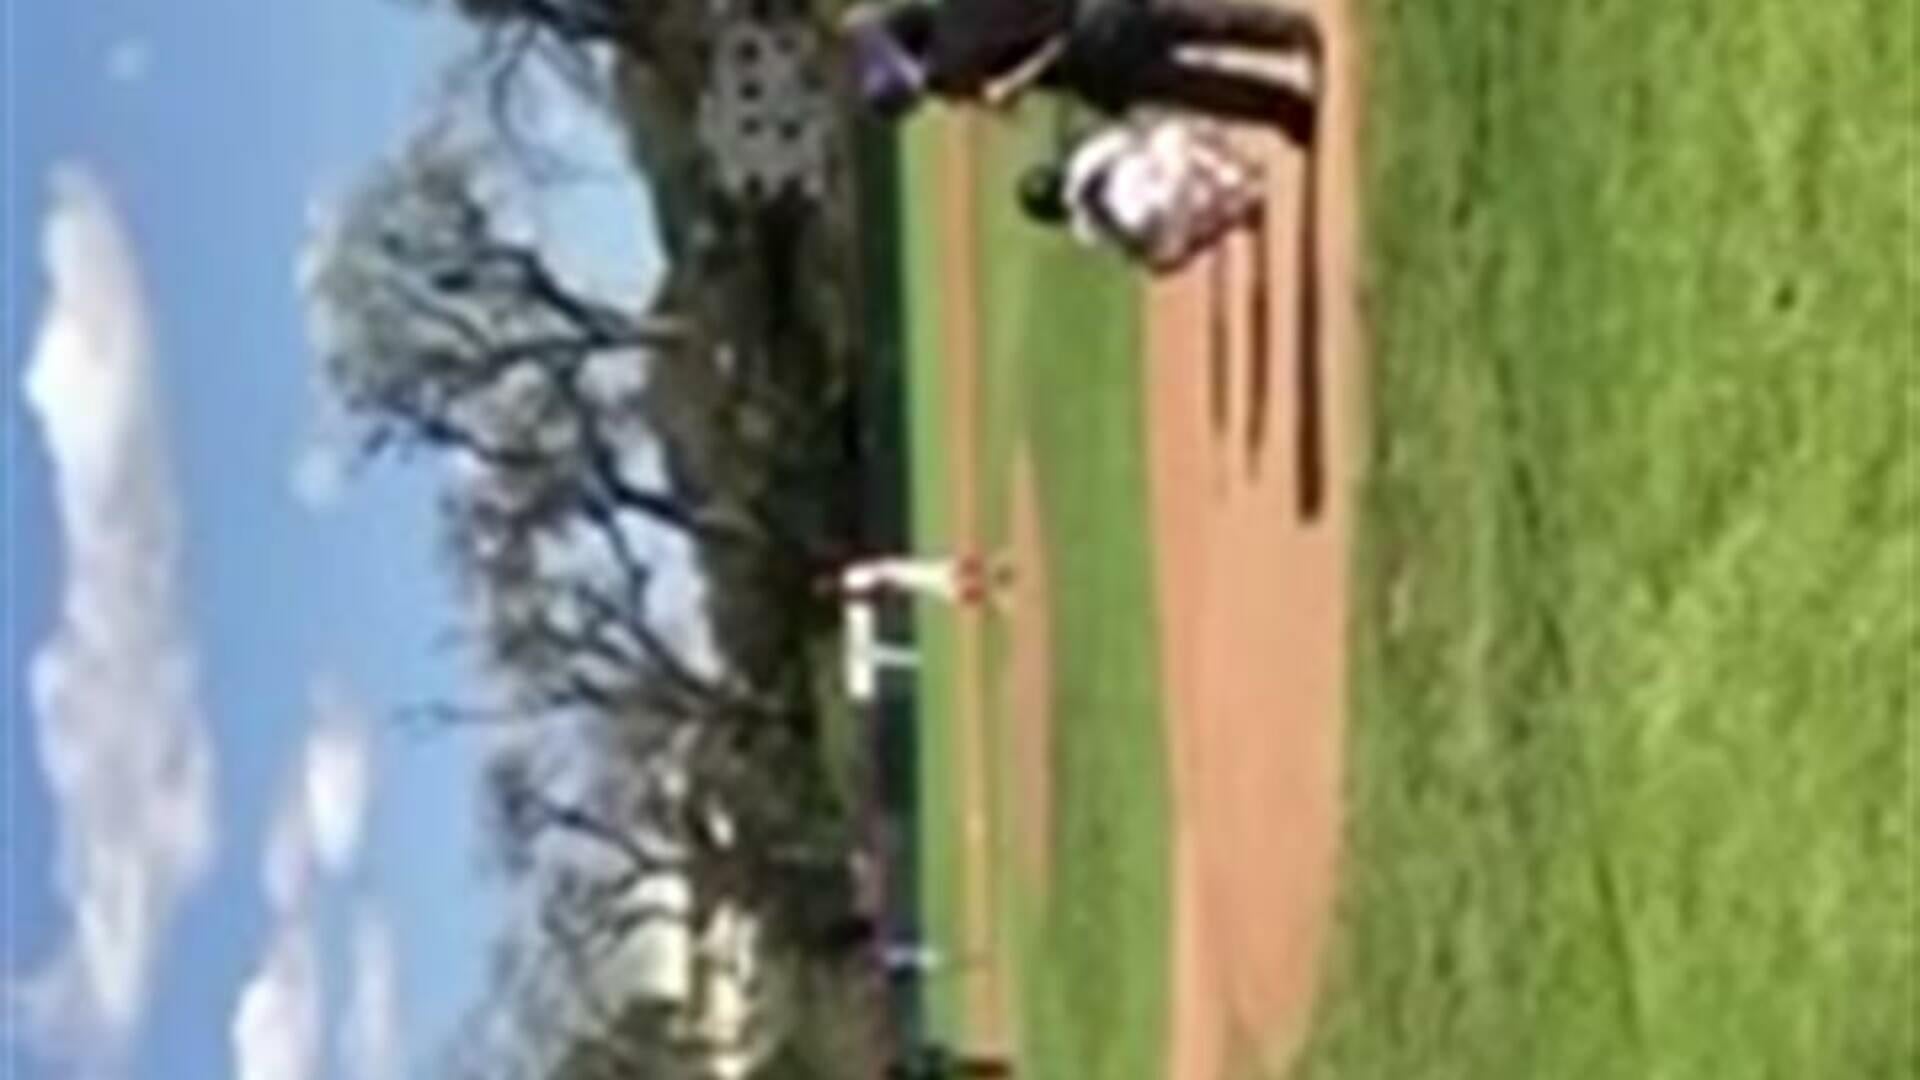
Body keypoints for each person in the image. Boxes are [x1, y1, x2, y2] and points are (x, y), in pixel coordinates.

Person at [840, 0, 1322, 143]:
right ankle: (1288, 33)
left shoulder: (943, 73)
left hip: (1086, 59)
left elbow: (1000, 91)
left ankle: (1287, 109)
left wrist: (1036, 66)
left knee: (1190, 86)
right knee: (1190, 23)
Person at [1018, 117, 1263, 273]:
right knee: (1171, 131)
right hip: (1175, 177)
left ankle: (1235, 216)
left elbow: (1130, 245)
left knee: (1159, 257)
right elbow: (1128, 139)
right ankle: (1232, 176)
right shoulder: (1083, 161)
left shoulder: (1084, 233)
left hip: (1171, 228)